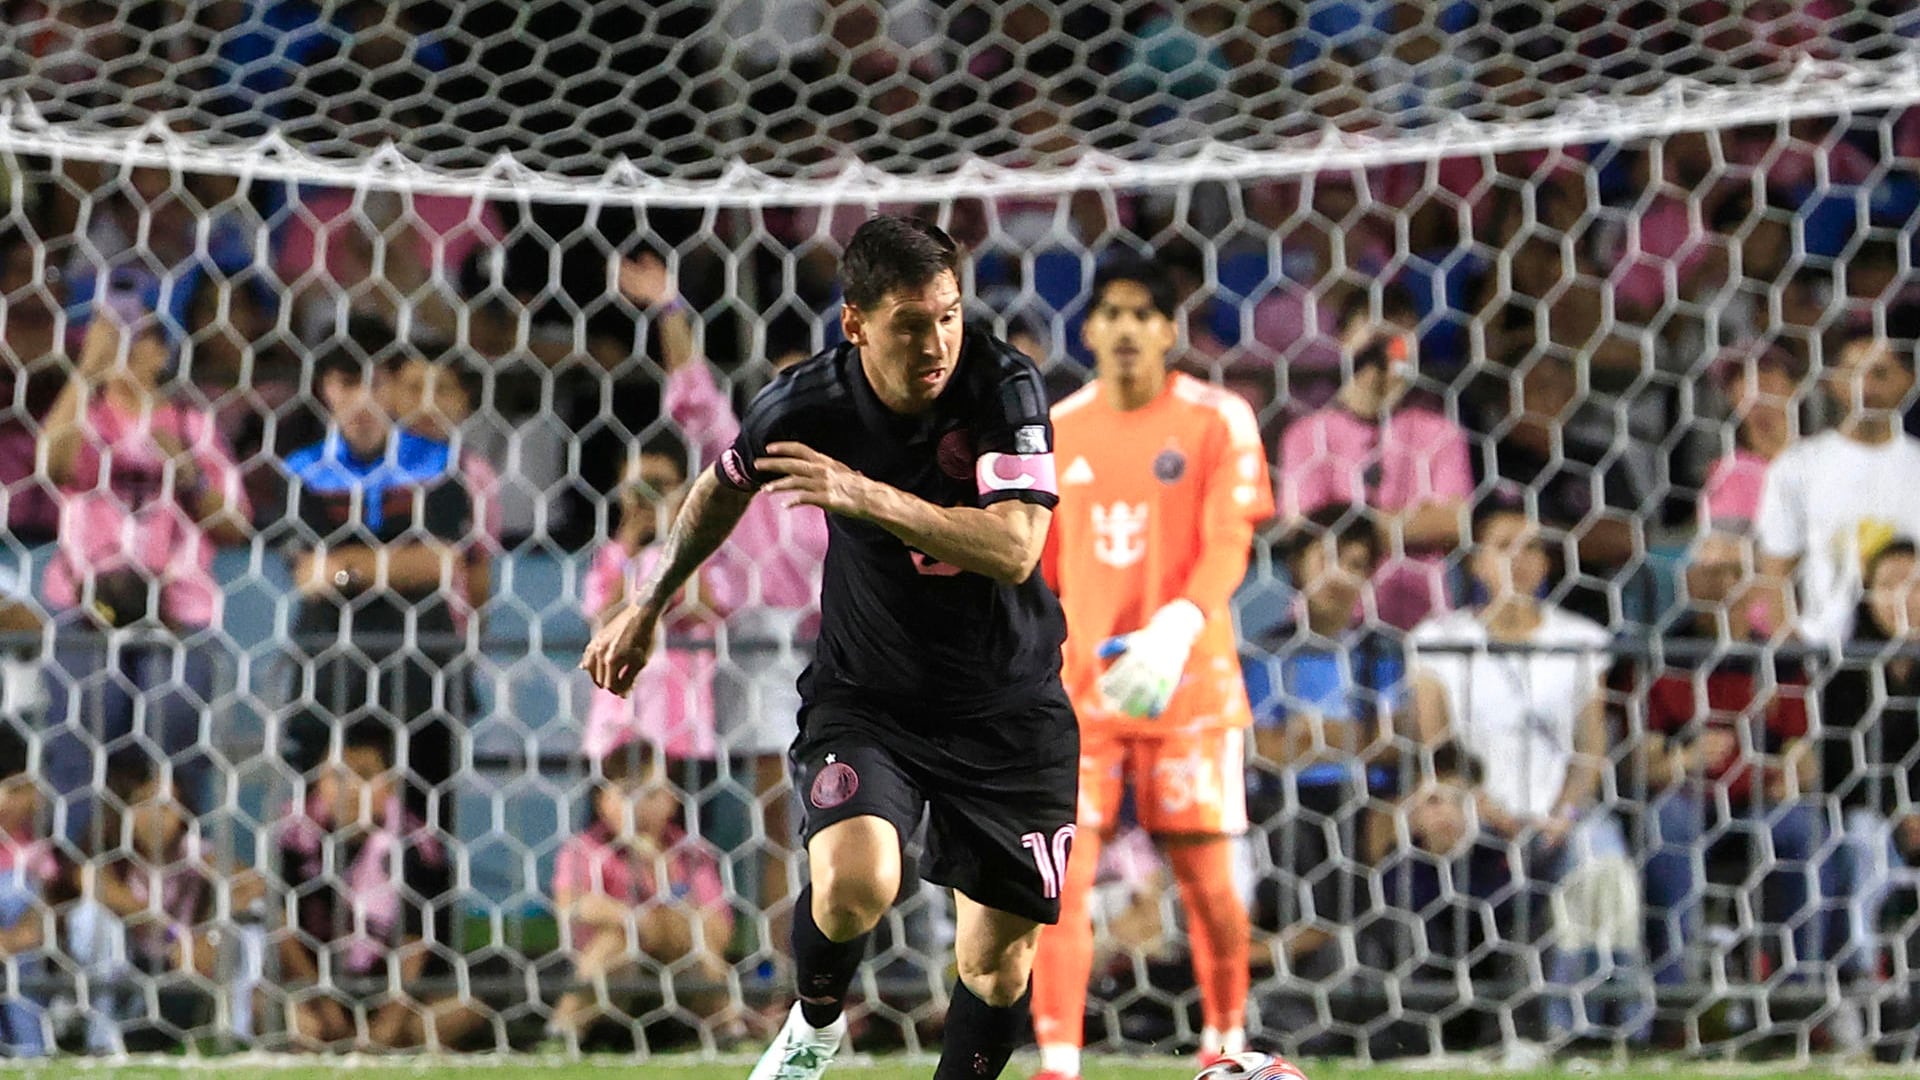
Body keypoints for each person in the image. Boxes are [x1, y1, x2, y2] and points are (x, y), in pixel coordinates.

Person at [581, 215, 1075, 1080]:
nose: (938, 342)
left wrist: (865, 494)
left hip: (1008, 705)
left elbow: (1015, 548)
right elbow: (720, 486)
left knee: (995, 965)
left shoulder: (1005, 386)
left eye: (950, 315)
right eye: (911, 325)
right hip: (869, 695)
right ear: (856, 323)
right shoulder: (807, 402)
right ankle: (811, 1029)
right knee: (857, 881)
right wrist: (647, 602)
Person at [1029, 254, 1272, 1079]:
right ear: (1089, 328)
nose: (1127, 328)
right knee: (1061, 875)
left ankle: (1226, 1048)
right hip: (1082, 689)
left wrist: (1174, 626)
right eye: (1113, 313)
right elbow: (1043, 566)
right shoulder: (1057, 429)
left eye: (1144, 314)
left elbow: (1230, 540)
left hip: (1188, 680)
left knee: (1206, 880)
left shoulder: (1219, 419)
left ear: (1170, 330)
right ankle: (1059, 1060)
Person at [617, 251, 830, 928]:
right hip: (760, 648)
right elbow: (693, 398)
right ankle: (773, 959)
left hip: (844, 650)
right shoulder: (747, 460)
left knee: (840, 815)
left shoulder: (850, 473)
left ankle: (851, 963)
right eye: (781, 383)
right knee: (777, 813)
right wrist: (668, 308)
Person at [1408, 500, 1640, 1038]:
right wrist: (1486, 805)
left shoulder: (1580, 638)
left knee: (1603, 863)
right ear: (1476, 563)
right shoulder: (1439, 639)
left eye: (1533, 546)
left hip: (1558, 814)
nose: (1521, 558)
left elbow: (1590, 747)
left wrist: (1566, 811)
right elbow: (1437, 746)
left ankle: (1591, 1030)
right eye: (1504, 545)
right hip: (1477, 809)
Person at [37, 275, 252, 844]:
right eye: (115, 341)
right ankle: (78, 895)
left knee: (176, 745)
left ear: (163, 349)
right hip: (86, 606)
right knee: (80, 752)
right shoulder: (83, 417)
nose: (127, 353)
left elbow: (235, 523)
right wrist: (87, 372)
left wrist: (185, 471)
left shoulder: (191, 425)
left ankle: (178, 891)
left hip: (178, 612)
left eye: (139, 339)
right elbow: (51, 467)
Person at [281, 333, 472, 827]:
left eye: (376, 382)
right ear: (326, 389)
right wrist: (387, 565)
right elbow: (307, 573)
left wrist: (345, 570)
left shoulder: (437, 463)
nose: (362, 398)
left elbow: (438, 564)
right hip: (328, 670)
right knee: (314, 825)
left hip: (419, 669)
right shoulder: (302, 468)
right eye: (348, 382)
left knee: (425, 826)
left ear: (395, 389)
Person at [1639, 527, 1826, 1003]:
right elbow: (1641, 765)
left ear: (1756, 584)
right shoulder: (1665, 654)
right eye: (1707, 573)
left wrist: (1789, 769)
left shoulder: (1780, 659)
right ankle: (1678, 995)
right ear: (1686, 582)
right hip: (1691, 803)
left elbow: (1805, 759)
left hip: (1758, 805)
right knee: (1667, 821)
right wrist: (1684, 759)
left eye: (1733, 573)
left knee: (1804, 825)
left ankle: (1797, 997)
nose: (1721, 585)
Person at [1240, 506, 1402, 964]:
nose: (1338, 575)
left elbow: (1394, 744)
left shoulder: (1379, 651)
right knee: (1293, 830)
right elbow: (1262, 749)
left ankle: (1353, 958)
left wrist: (1310, 737)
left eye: (1354, 564)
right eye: (1326, 559)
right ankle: (1321, 958)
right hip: (1287, 800)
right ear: (1299, 565)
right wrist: (1349, 737)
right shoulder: (1267, 652)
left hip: (1366, 798)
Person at [272, 720, 488, 1051]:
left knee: (465, 1011)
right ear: (318, 781)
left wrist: (384, 1029)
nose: (350, 788)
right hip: (316, 991)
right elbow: (282, 925)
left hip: (398, 1000)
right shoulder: (295, 838)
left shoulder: (417, 845)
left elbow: (416, 943)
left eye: (365, 774)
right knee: (295, 1023)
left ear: (392, 783)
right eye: (336, 775)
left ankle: (387, 1044)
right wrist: (326, 1007)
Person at [1278, 284, 1471, 630]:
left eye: (1401, 334)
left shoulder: (1440, 432)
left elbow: (1454, 522)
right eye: (1375, 332)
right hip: (1328, 622)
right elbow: (1305, 528)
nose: (1387, 346)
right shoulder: (1306, 434)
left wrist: (1354, 529)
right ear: (1343, 339)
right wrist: (1410, 524)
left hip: (1420, 619)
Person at [65, 753, 266, 1053]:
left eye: (169, 805)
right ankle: (102, 1040)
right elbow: (97, 886)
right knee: (91, 916)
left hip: (184, 968)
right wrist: (174, 933)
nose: (159, 816)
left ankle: (237, 1035)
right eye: (146, 803)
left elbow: (252, 886)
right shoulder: (107, 853)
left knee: (253, 917)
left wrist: (210, 937)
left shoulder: (193, 852)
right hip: (127, 964)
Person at [549, 744, 737, 1048]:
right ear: (601, 801)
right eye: (625, 794)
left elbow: (722, 930)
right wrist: (628, 918)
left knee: (699, 945)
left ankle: (729, 1032)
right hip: (614, 980)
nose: (637, 807)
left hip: (680, 976)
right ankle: (563, 1032)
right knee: (617, 942)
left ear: (673, 800)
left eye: (650, 794)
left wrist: (668, 886)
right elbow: (569, 905)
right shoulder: (584, 850)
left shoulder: (691, 853)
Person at [1758, 310, 1920, 645]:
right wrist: (1790, 651)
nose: (1866, 388)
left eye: (1880, 373)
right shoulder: (1798, 466)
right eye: (1853, 373)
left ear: (1908, 381)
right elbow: (1776, 573)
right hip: (1825, 654)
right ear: (1833, 381)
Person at [581, 432, 739, 764]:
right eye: (637, 487)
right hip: (618, 722)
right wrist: (629, 548)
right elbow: (602, 617)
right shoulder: (613, 556)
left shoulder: (707, 556)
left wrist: (680, 538)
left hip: (682, 721)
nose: (647, 498)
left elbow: (704, 609)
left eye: (659, 485)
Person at [1817, 538, 1920, 980]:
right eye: (1888, 584)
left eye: (1914, 585)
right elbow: (1841, 765)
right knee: (1865, 843)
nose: (1902, 598)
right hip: (1867, 815)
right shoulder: (1845, 671)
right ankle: (1862, 983)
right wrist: (1900, 813)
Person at [0, 721, 62, 1058]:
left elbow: (43, 907)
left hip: (19, 943)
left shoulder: (32, 851)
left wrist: (12, 940)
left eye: (16, 788)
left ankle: (31, 1048)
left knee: (17, 890)